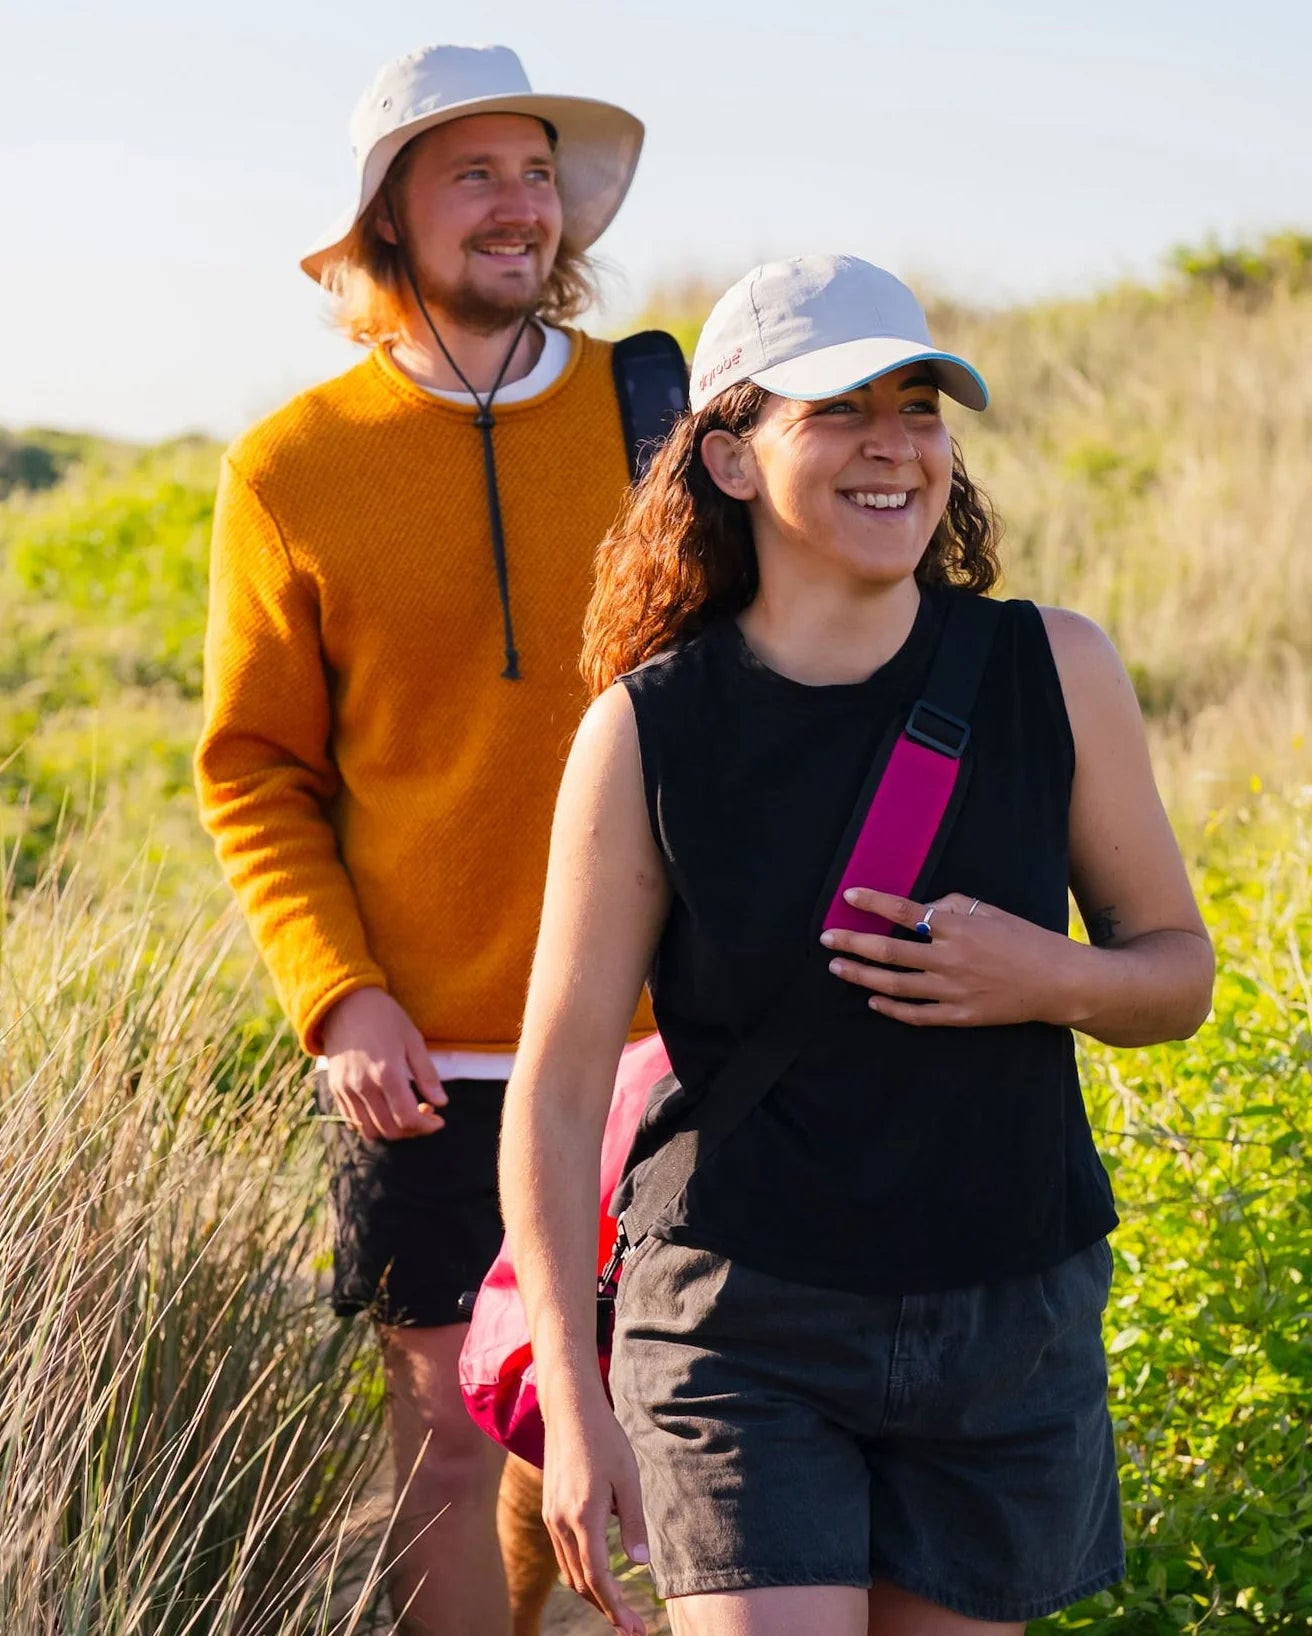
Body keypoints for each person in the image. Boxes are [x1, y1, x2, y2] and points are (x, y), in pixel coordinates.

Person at [499, 254, 1216, 1636]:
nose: (895, 444)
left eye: (920, 408)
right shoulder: (647, 729)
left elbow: (1176, 974)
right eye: (839, 409)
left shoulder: (1056, 668)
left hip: (1006, 1318)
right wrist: (576, 1410)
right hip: (742, 1321)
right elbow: (562, 1082)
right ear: (728, 458)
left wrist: (1049, 976)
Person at [194, 42, 650, 1636]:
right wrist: (339, 996)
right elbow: (254, 769)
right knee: (454, 1445)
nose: (520, 206)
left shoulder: (662, 419)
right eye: (476, 175)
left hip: (660, 1035)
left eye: (537, 174)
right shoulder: (290, 468)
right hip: (427, 1058)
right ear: (388, 214)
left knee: (659, 1417)